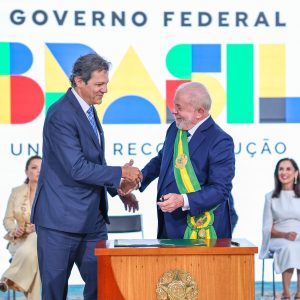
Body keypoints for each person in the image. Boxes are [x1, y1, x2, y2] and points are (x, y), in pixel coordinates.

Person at [30, 53, 141, 300]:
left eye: (106, 83)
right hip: (60, 223)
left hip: (93, 223)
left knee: (103, 290)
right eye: (99, 85)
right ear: (79, 82)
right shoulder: (60, 114)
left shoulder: (88, 109)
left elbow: (94, 162)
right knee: (55, 293)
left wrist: (118, 188)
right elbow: (77, 168)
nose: (105, 90)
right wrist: (121, 172)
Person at [122, 82, 235, 239]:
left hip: (201, 230)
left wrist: (183, 200)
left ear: (199, 112)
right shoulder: (176, 128)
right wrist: (137, 180)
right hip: (168, 224)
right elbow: (162, 160)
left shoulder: (220, 140)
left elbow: (220, 190)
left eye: (179, 107)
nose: (173, 111)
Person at [0, 155, 42, 300]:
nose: (38, 171)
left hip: (42, 241)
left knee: (36, 238)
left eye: (42, 168)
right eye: (34, 167)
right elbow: (8, 219)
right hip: (19, 242)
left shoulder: (51, 192)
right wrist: (15, 230)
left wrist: (40, 227)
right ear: (26, 172)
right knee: (35, 259)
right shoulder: (16, 192)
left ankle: (8, 278)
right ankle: (9, 278)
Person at [259, 158, 300, 300]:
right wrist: (284, 234)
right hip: (278, 238)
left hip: (299, 236)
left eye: (288, 169)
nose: (284, 172)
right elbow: (267, 227)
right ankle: (286, 293)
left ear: (296, 173)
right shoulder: (270, 197)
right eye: (281, 169)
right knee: (289, 247)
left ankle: (299, 294)